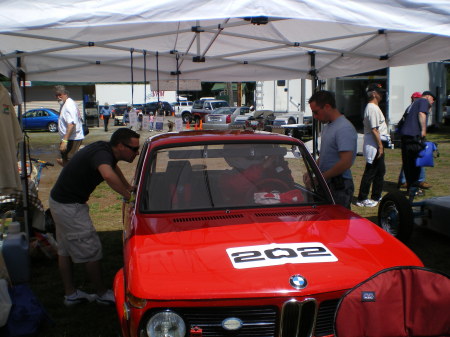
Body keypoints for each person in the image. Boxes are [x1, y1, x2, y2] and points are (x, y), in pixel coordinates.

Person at [49, 128, 140, 306]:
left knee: (65, 250)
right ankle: (102, 293)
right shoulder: (102, 155)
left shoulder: (106, 151)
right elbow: (107, 174)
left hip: (60, 201)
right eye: (134, 149)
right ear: (120, 146)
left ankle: (71, 294)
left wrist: (128, 187)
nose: (136, 153)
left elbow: (113, 167)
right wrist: (129, 197)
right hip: (69, 207)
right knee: (91, 249)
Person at [308, 90, 357, 209]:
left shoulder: (344, 128)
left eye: (316, 112)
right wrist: (311, 172)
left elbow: (345, 162)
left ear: (327, 107)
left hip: (339, 185)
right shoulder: (328, 127)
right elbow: (325, 156)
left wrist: (321, 177)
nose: (315, 116)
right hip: (328, 183)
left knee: (336, 223)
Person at [397, 90, 435, 199]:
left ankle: (410, 188)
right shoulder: (423, 101)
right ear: (428, 96)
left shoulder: (411, 105)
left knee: (408, 164)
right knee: (416, 165)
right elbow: (421, 114)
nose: (431, 103)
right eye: (433, 100)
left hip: (405, 138)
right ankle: (414, 189)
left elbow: (402, 121)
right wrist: (423, 130)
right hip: (414, 138)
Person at [356, 83, 388, 207]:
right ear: (373, 93)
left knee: (380, 170)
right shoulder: (371, 108)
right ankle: (362, 198)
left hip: (377, 142)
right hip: (374, 143)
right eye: (380, 92)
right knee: (371, 171)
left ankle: (376, 195)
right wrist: (380, 146)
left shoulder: (375, 107)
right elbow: (374, 129)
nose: (382, 94)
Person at [54, 85, 84, 166]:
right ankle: (71, 174)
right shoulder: (66, 103)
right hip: (69, 138)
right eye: (56, 95)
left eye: (60, 95)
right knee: (62, 159)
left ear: (65, 94)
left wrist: (65, 141)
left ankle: (75, 175)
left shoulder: (69, 105)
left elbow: (71, 124)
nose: (58, 97)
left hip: (72, 138)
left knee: (69, 161)